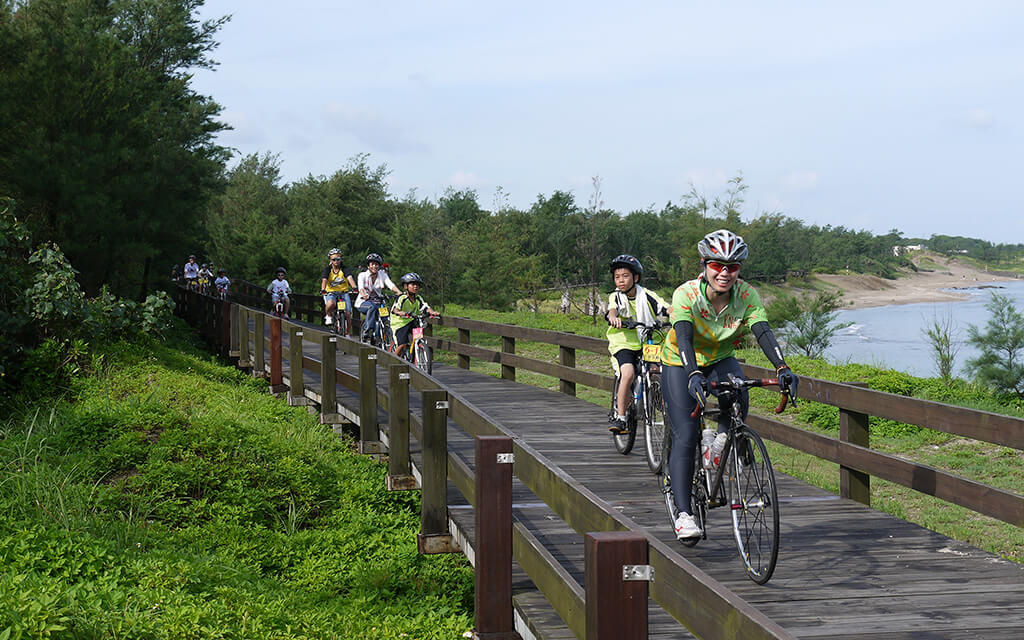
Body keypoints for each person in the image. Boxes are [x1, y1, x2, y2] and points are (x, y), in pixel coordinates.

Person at [660, 229, 798, 540]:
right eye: (717, 265)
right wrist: (693, 372)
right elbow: (682, 334)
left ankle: (719, 445)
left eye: (732, 267)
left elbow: (762, 331)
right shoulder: (687, 294)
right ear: (704, 265)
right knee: (685, 432)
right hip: (681, 361)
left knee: (739, 399)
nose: (724, 273)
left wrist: (782, 367)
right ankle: (684, 514)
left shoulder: (746, 295)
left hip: (721, 358)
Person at [604, 255, 669, 434]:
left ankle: (657, 403)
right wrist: (613, 318)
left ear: (636, 278)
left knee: (656, 370)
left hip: (646, 339)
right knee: (628, 373)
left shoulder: (646, 295)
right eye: (617, 277)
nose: (621, 281)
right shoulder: (616, 296)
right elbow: (612, 310)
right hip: (623, 342)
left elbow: (664, 307)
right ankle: (621, 417)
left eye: (625, 276)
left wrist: (677, 315)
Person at [355, 253, 401, 343]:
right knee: (371, 307)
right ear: (368, 266)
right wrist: (364, 294)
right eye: (372, 264)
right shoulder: (362, 275)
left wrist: (399, 292)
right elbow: (361, 288)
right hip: (363, 302)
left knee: (386, 319)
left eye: (376, 264)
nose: (374, 266)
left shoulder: (382, 274)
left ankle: (384, 339)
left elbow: (390, 284)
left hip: (378, 302)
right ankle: (367, 331)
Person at [390, 273, 439, 355]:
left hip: (411, 320)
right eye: (412, 284)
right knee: (402, 344)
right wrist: (402, 313)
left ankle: (417, 354)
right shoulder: (402, 298)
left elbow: (425, 307)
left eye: (417, 285)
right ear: (406, 286)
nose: (415, 287)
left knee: (418, 337)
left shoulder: (418, 298)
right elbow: (395, 310)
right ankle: (393, 362)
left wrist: (432, 312)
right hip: (400, 323)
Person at [320, 248, 357, 327]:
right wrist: (323, 289)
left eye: (338, 259)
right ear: (330, 260)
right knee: (331, 303)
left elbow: (349, 277)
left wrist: (354, 287)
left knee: (348, 313)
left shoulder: (344, 269)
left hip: (343, 292)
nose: (336, 261)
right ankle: (328, 315)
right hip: (331, 292)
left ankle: (347, 333)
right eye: (333, 259)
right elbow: (324, 280)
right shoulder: (327, 270)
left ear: (340, 259)